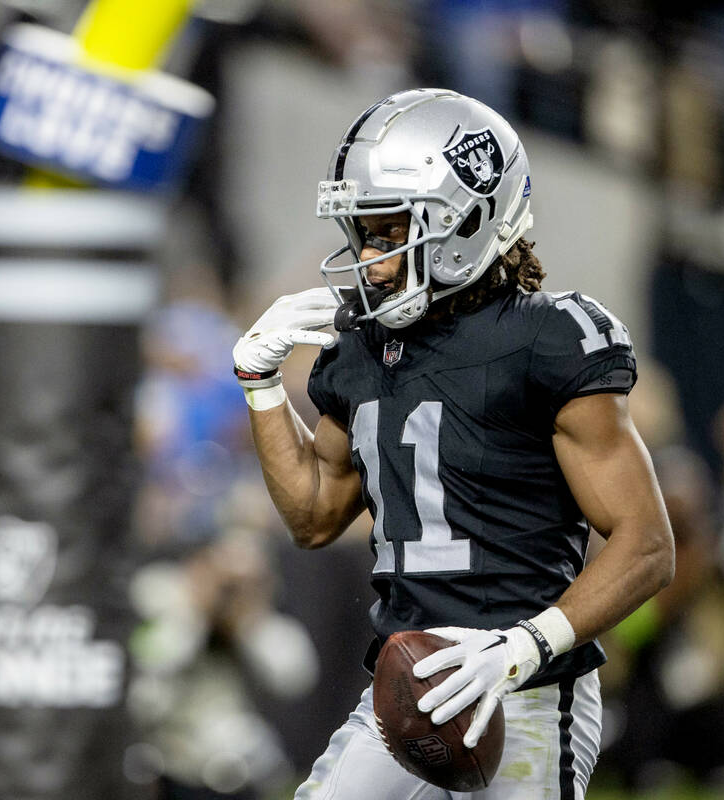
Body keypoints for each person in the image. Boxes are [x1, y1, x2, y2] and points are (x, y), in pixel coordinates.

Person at [230, 88, 674, 799]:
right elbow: (314, 516)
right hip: (403, 685)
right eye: (362, 234)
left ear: (463, 222)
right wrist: (259, 382)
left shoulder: (546, 338)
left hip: (527, 689)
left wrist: (522, 647)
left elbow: (648, 545)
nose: (370, 260)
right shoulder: (363, 349)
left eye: (388, 231)